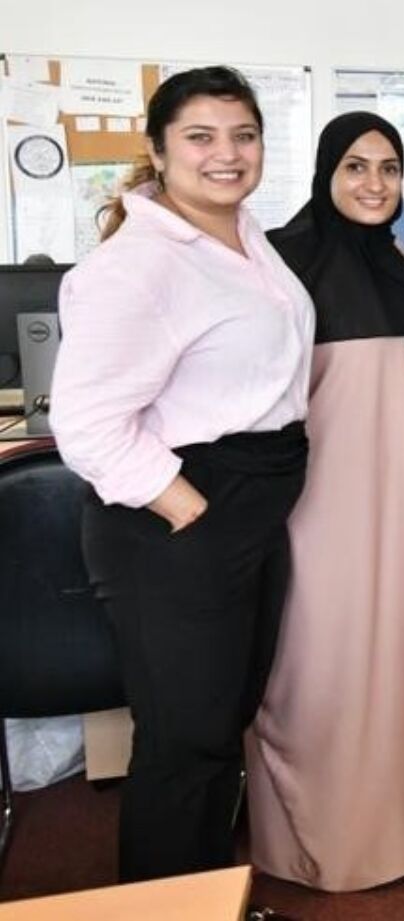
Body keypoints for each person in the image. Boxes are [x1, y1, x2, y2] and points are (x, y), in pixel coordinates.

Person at [51, 66, 313, 882]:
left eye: (243, 134)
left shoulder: (246, 236)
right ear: (159, 153)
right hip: (180, 517)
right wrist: (188, 506)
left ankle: (208, 898)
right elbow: (87, 423)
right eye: (200, 137)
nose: (226, 154)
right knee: (182, 740)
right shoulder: (137, 265)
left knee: (220, 724)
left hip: (248, 511)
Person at [246, 112, 404, 890]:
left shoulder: (397, 263)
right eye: (355, 166)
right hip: (316, 504)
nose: (374, 184)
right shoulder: (282, 260)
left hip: (401, 500)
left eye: (388, 168)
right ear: (324, 172)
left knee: (402, 653)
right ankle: (327, 843)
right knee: (320, 664)